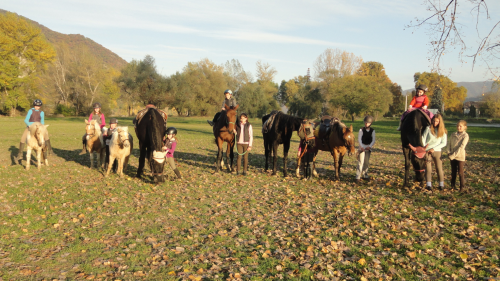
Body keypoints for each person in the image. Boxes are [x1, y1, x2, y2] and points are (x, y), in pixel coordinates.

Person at [13, 99, 53, 164]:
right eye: (36, 106)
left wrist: (41, 126)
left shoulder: (42, 112)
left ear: (40, 106)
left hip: (38, 127)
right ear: (34, 105)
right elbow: (26, 120)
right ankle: (20, 154)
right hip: (31, 126)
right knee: (23, 138)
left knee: (46, 136)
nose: (37, 107)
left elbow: (42, 121)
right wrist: (29, 125)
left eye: (38, 106)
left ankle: (50, 151)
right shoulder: (30, 111)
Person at [422, 113, 448, 190]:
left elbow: (444, 143)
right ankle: (429, 184)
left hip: (437, 151)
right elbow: (423, 138)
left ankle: (441, 184)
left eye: (437, 121)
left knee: (439, 168)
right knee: (428, 168)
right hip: (427, 151)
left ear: (440, 122)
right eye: (433, 121)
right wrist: (424, 148)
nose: (435, 123)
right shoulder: (428, 128)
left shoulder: (443, 131)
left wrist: (434, 149)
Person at [447, 120, 469, 191]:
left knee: (460, 172)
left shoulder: (465, 136)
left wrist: (453, 155)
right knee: (453, 172)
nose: (459, 127)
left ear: (465, 127)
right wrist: (448, 152)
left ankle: (461, 187)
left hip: (460, 156)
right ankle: (452, 186)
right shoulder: (453, 134)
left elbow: (462, 147)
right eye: (458, 126)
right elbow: (449, 144)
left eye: (460, 126)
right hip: (451, 155)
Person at [355, 115, 376, 183]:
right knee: (360, 162)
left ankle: (365, 174)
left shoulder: (372, 131)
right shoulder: (361, 130)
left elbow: (373, 140)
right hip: (362, 147)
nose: (366, 124)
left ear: (370, 123)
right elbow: (359, 139)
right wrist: (361, 147)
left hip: (368, 148)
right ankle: (358, 175)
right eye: (366, 122)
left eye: (368, 123)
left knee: (366, 162)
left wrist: (369, 146)